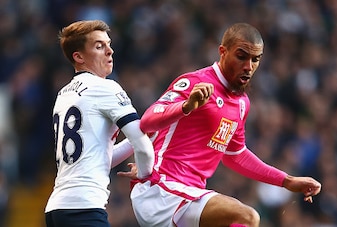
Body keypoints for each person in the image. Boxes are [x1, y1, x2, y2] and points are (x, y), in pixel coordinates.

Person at [127, 23, 322, 227]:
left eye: (255, 59)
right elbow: (148, 121)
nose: (248, 66)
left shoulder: (241, 103)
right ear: (223, 51)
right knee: (247, 217)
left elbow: (235, 155)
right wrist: (186, 106)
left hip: (189, 196)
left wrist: (286, 181)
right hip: (162, 188)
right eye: (241, 56)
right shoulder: (195, 82)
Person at [44, 20, 154, 227]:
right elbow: (144, 148)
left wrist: (143, 137)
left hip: (57, 210)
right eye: (99, 46)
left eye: (109, 44)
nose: (110, 51)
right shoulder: (105, 87)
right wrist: (146, 174)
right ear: (78, 57)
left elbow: (97, 157)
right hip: (83, 208)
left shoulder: (63, 94)